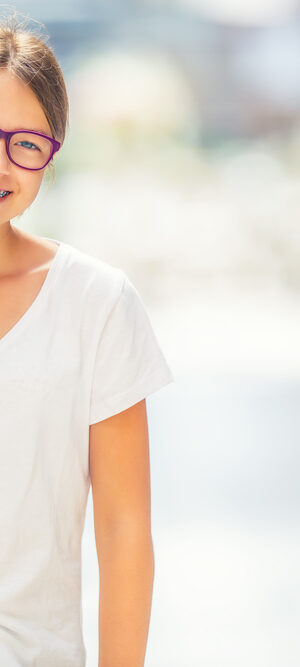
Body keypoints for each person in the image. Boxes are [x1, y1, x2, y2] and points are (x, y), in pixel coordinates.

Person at [0, 10, 174, 667]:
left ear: (50, 155)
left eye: (25, 144)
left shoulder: (96, 302)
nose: (3, 165)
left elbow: (125, 532)